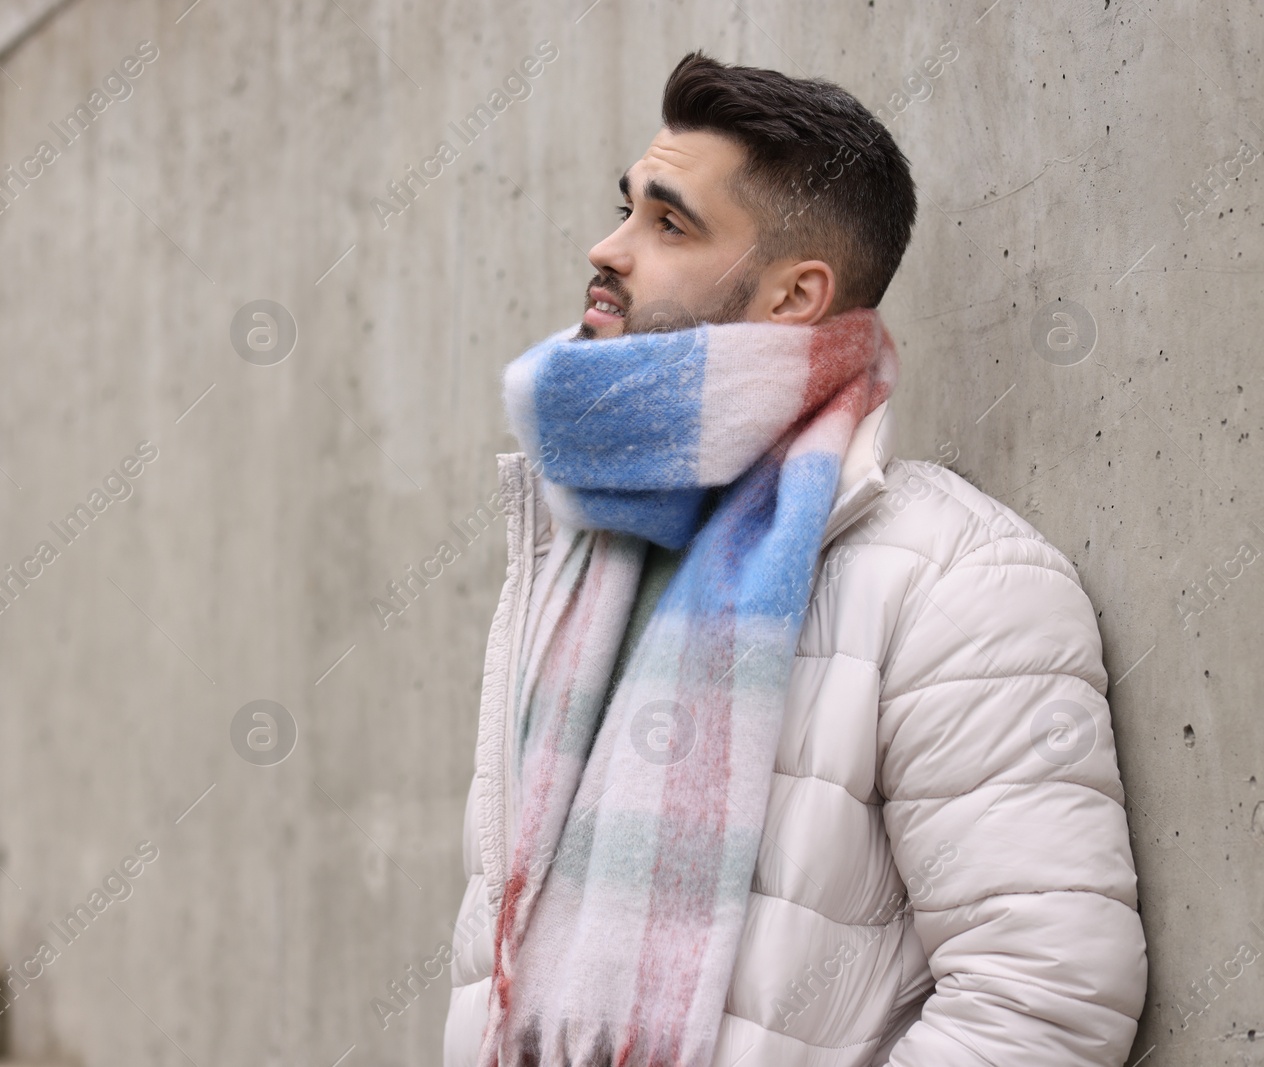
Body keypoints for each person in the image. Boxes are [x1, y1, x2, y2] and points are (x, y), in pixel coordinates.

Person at [444, 51, 1146, 1067]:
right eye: (626, 207)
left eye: (668, 222)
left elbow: (1043, 998)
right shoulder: (579, 548)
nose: (608, 247)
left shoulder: (955, 577)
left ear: (793, 296)